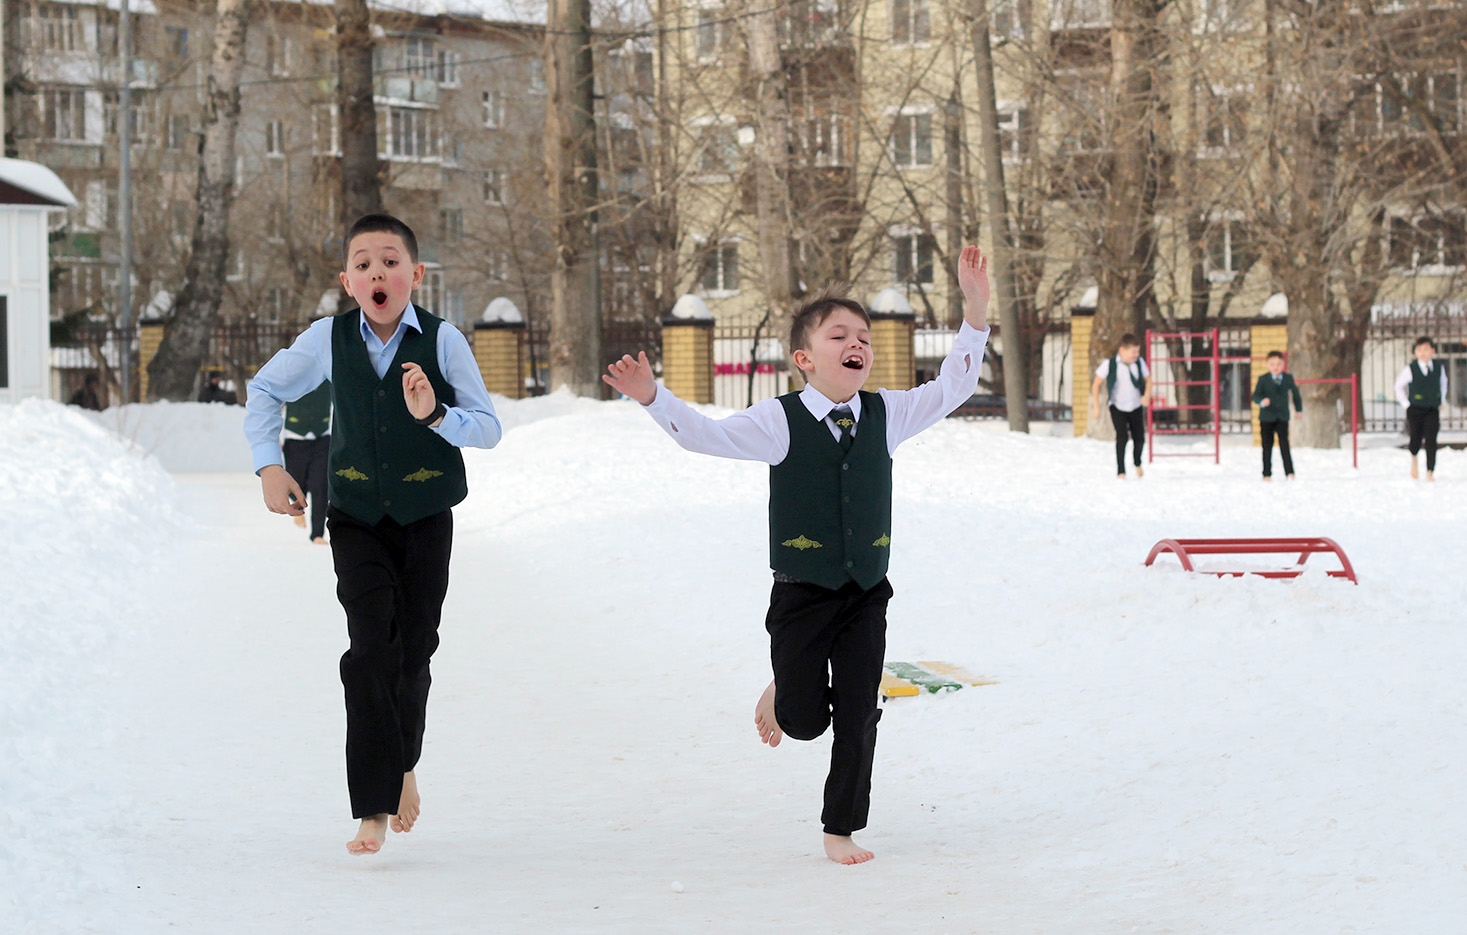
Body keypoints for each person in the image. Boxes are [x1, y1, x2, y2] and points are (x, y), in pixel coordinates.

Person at [603, 245, 991, 865]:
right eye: (839, 334)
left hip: (866, 590)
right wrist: (655, 397)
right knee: (806, 719)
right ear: (806, 358)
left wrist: (975, 310)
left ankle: (841, 826)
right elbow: (705, 437)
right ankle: (784, 689)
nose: (855, 342)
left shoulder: (887, 413)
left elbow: (955, 386)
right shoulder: (778, 421)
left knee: (861, 710)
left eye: (862, 334)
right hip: (803, 595)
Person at [243, 214, 503, 855]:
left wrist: (436, 414)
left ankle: (403, 762)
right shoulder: (326, 339)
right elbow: (264, 389)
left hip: (425, 515)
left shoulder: (444, 343)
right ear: (347, 281)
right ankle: (372, 807)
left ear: (415, 276)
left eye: (390, 261)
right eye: (363, 263)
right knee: (369, 652)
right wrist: (270, 465)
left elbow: (488, 427)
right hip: (355, 514)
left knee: (413, 650)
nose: (376, 272)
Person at [1089, 334, 1151, 479]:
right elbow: (1096, 384)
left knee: (1139, 438)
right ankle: (1121, 471)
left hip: (1135, 405)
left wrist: (1146, 395)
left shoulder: (1139, 363)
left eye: (1137, 351)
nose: (1136, 355)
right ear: (1122, 350)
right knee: (1122, 437)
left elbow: (1148, 380)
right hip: (1117, 406)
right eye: (1133, 352)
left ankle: (1137, 462)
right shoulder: (1109, 364)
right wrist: (1096, 407)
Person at [283, 379, 332, 543]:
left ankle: (318, 534)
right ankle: (298, 510)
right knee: (296, 485)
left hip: (322, 438)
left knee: (320, 487)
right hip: (295, 438)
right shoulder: (289, 378)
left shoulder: (329, 375)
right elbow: (273, 406)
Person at [1394, 336, 1448, 481]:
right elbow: (1398, 386)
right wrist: (1406, 405)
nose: (1423, 353)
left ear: (1432, 350)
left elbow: (1443, 384)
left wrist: (1440, 400)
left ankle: (1430, 470)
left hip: (1432, 409)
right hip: (1415, 409)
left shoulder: (1438, 368)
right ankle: (1414, 462)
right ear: (1415, 352)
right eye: (1419, 350)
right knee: (1415, 437)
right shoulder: (1410, 369)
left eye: (1426, 349)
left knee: (1431, 439)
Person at [1251, 350, 1302, 481]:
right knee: (1267, 446)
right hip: (1266, 418)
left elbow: (1296, 394)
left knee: (1285, 445)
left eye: (1278, 364)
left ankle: (1289, 472)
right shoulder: (1263, 379)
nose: (1276, 367)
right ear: (1267, 364)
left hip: (1282, 417)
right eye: (1272, 364)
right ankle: (1266, 474)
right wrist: (1262, 401)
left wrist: (1299, 410)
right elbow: (1255, 396)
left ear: (1283, 364)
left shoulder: (1288, 378)